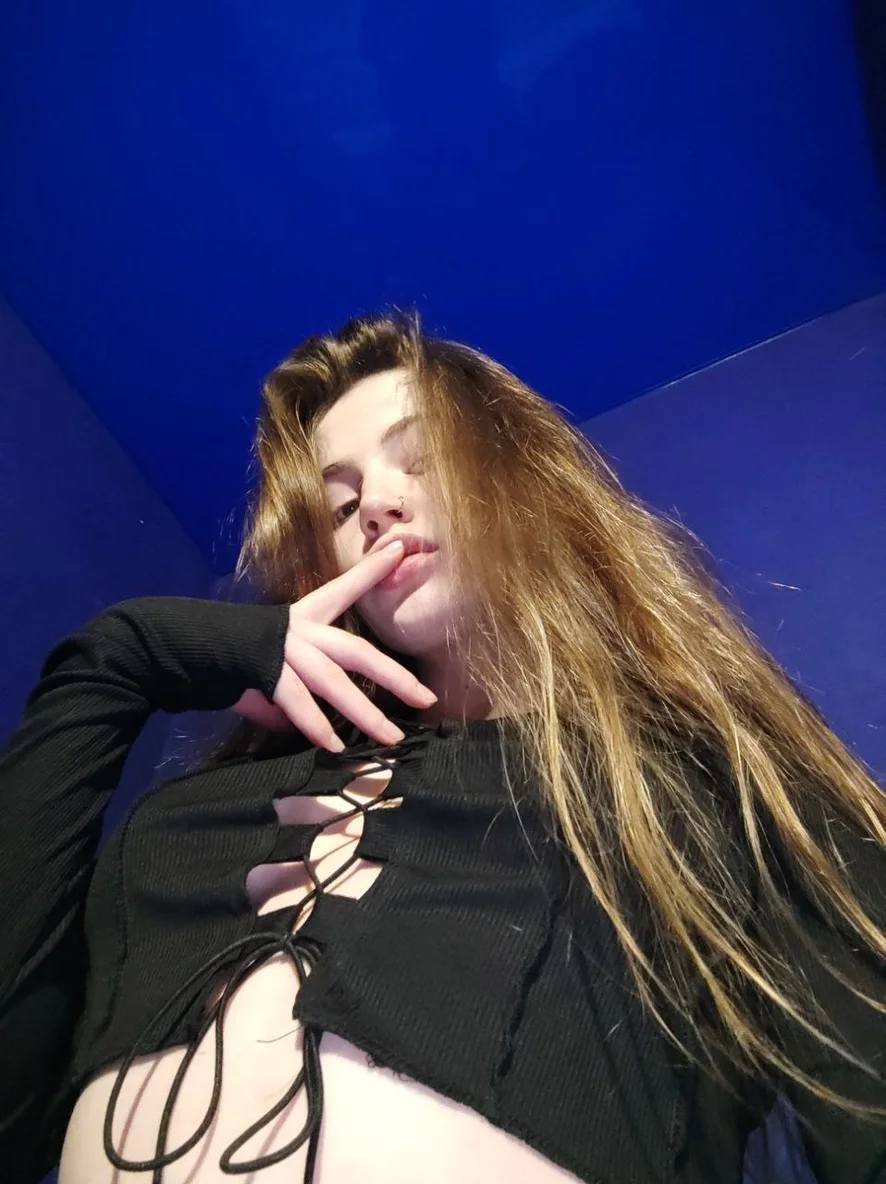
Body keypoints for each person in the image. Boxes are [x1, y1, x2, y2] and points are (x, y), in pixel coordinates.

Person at [0, 310, 884, 1184]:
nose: (378, 509)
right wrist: (126, 653)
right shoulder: (193, 818)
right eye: (342, 505)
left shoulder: (695, 780)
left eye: (421, 460)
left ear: (527, 482)